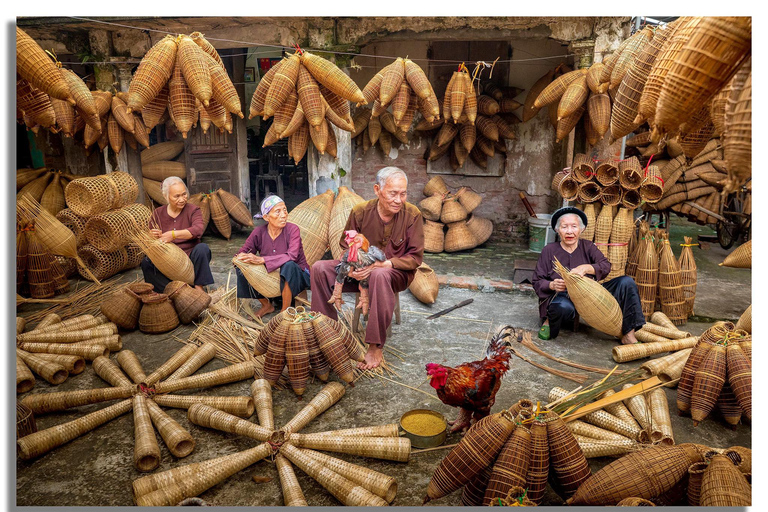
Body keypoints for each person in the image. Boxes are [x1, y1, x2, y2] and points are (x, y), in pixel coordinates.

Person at [310, 167, 424, 370]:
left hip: (394, 273)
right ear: (377, 189)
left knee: (379, 274)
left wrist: (385, 264)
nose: (399, 199)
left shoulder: (412, 215)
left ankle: (375, 345)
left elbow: (415, 257)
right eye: (393, 193)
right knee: (319, 268)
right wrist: (352, 269)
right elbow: (345, 243)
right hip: (359, 271)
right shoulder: (360, 211)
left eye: (403, 193)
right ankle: (327, 335)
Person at [532, 206, 645, 344]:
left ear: (581, 229)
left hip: (590, 295)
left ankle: (628, 333)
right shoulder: (549, 250)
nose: (569, 231)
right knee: (561, 306)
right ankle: (549, 322)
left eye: (574, 226)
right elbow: (537, 280)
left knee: (627, 283)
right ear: (557, 230)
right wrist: (552, 284)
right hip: (563, 297)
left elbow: (606, 266)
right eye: (564, 227)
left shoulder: (588, 246)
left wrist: (586, 268)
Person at [234, 195, 310, 318]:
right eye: (278, 211)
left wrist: (262, 259)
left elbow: (292, 255)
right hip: (270, 275)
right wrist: (240, 258)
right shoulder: (258, 232)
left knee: (288, 264)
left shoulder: (293, 230)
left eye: (285, 210)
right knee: (241, 265)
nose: (284, 215)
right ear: (266, 217)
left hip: (298, 274)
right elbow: (243, 252)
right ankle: (266, 305)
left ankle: (285, 311)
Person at [141, 176, 214, 292]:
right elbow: (150, 240)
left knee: (202, 249)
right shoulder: (157, 213)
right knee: (146, 262)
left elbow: (198, 229)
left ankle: (198, 288)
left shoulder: (193, 210)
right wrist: (151, 236)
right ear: (166, 197)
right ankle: (171, 291)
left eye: (184, 194)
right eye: (177, 196)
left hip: (190, 257)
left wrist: (173, 234)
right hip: (167, 259)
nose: (182, 199)